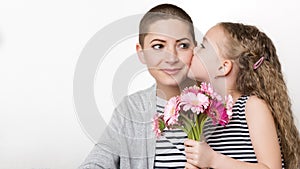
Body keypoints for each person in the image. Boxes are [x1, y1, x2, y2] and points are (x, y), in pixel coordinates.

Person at [79, 3, 197, 169]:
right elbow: (97, 161)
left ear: (195, 50)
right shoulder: (130, 109)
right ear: (141, 53)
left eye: (183, 45)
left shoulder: (216, 105)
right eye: (158, 46)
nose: (172, 58)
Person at [185, 22, 300, 169]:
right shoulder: (207, 116)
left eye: (203, 46)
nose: (194, 50)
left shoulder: (251, 106)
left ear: (223, 67)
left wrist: (214, 160)